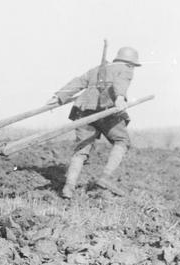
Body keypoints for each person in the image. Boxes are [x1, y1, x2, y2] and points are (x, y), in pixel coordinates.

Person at [47, 46, 140, 198]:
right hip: (107, 111)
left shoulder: (96, 69)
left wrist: (59, 96)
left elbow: (78, 82)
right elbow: (121, 83)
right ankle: (105, 178)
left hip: (83, 110)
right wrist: (120, 98)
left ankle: (68, 187)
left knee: (81, 149)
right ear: (130, 63)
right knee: (122, 141)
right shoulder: (126, 69)